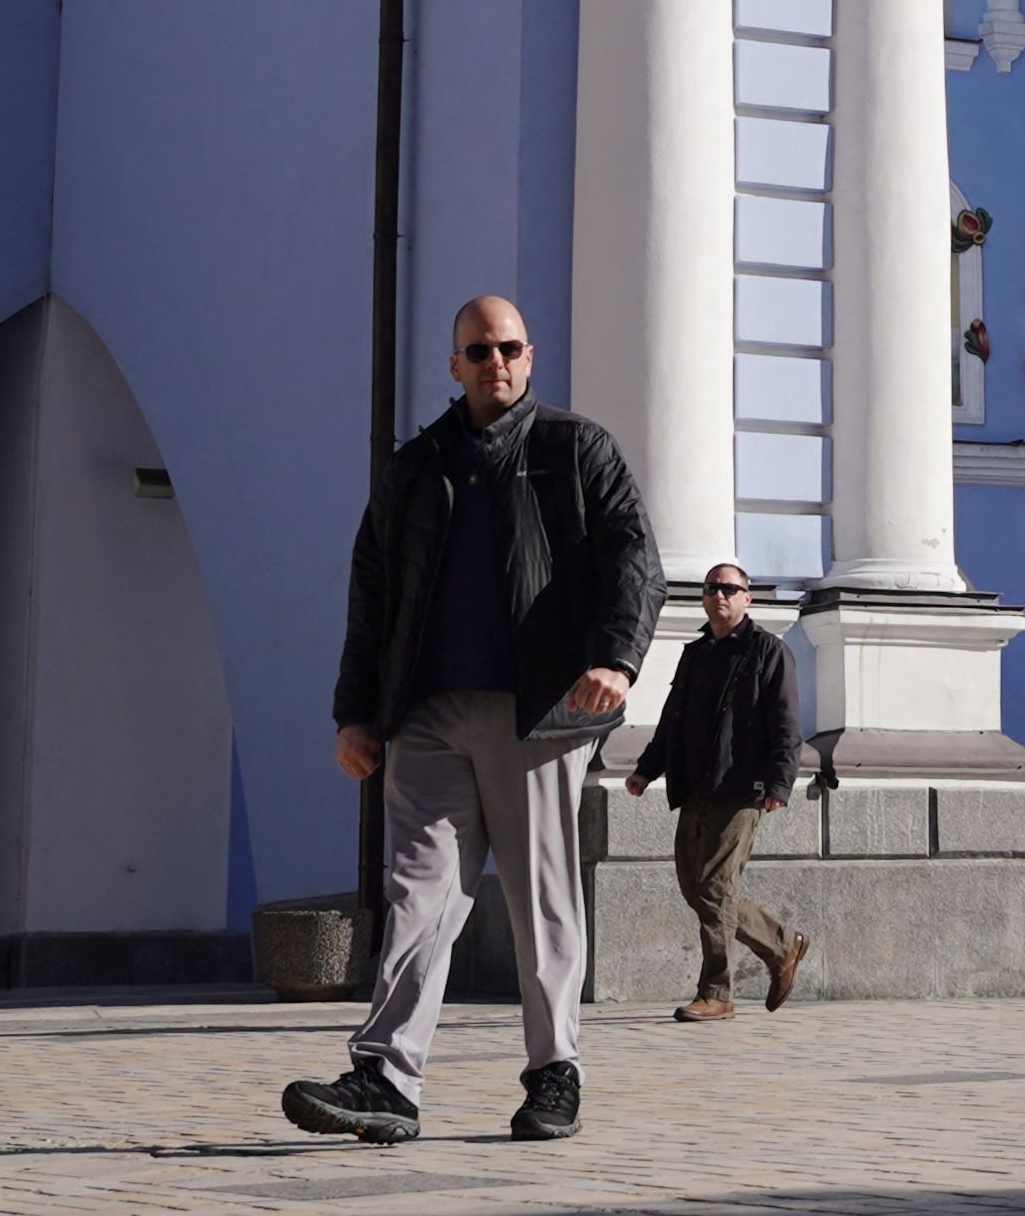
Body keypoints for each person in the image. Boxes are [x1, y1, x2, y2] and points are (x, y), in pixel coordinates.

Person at [285, 293, 659, 1147]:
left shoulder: (575, 449)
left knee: (541, 899)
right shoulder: (417, 465)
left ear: (531, 358)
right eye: (478, 350)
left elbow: (634, 558)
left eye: (509, 348)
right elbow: (371, 591)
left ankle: (553, 1071)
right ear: (452, 364)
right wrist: (356, 711)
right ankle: (386, 1075)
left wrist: (615, 657)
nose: (496, 362)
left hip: (536, 710)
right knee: (417, 895)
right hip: (423, 714)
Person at [627, 562, 809, 1018]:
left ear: (748, 597)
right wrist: (647, 770)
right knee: (697, 887)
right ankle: (781, 944)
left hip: (741, 787)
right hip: (695, 786)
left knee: (714, 888)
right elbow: (673, 720)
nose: (719, 595)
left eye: (729, 588)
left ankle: (717, 992)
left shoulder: (769, 651)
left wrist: (779, 782)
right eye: (711, 588)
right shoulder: (696, 653)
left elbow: (786, 724)